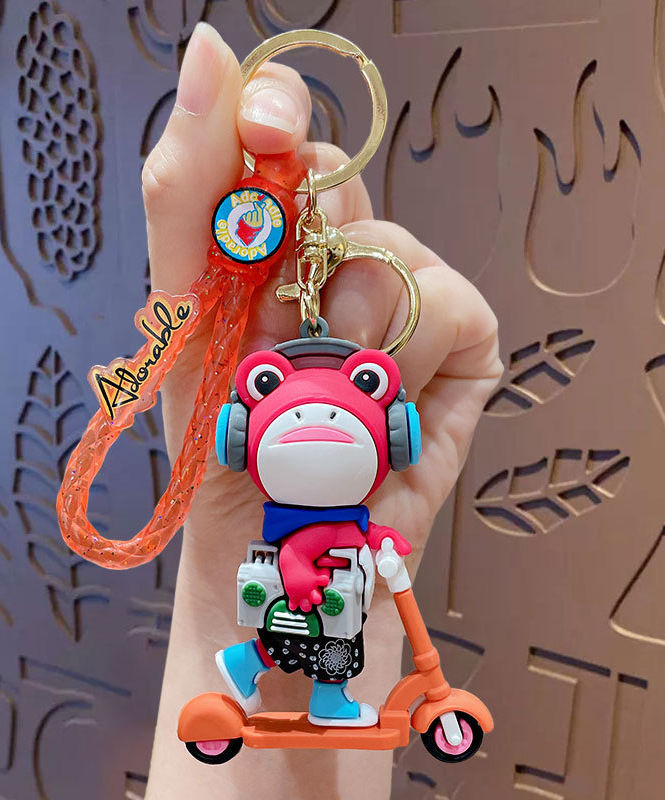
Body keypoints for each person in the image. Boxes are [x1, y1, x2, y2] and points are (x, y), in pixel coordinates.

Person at [143, 22, 503, 800]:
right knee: (318, 644)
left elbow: (352, 548)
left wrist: (381, 551)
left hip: (329, 579)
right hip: (303, 581)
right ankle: (287, 682)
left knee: (325, 638)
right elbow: (300, 555)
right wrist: (263, 565)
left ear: (391, 433)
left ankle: (268, 672)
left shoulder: (354, 512)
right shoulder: (284, 515)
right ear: (243, 433)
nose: (318, 436)